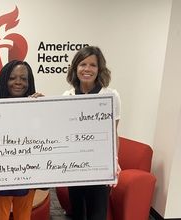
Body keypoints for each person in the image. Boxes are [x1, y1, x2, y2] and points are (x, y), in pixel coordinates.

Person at [63, 46, 121, 220]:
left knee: (97, 214)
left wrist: (114, 162)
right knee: (78, 213)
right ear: (75, 68)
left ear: (99, 69)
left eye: (92, 65)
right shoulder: (67, 96)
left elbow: (114, 133)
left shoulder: (111, 96)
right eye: (82, 64)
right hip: (75, 166)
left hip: (100, 166)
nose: (87, 69)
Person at [0, 60, 43, 220]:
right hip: (0, 175)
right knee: (0, 217)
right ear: (4, 80)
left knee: (24, 217)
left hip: (28, 172)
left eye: (24, 79)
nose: (18, 82)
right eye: (12, 78)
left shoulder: (36, 106)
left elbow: (45, 137)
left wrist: (44, 108)